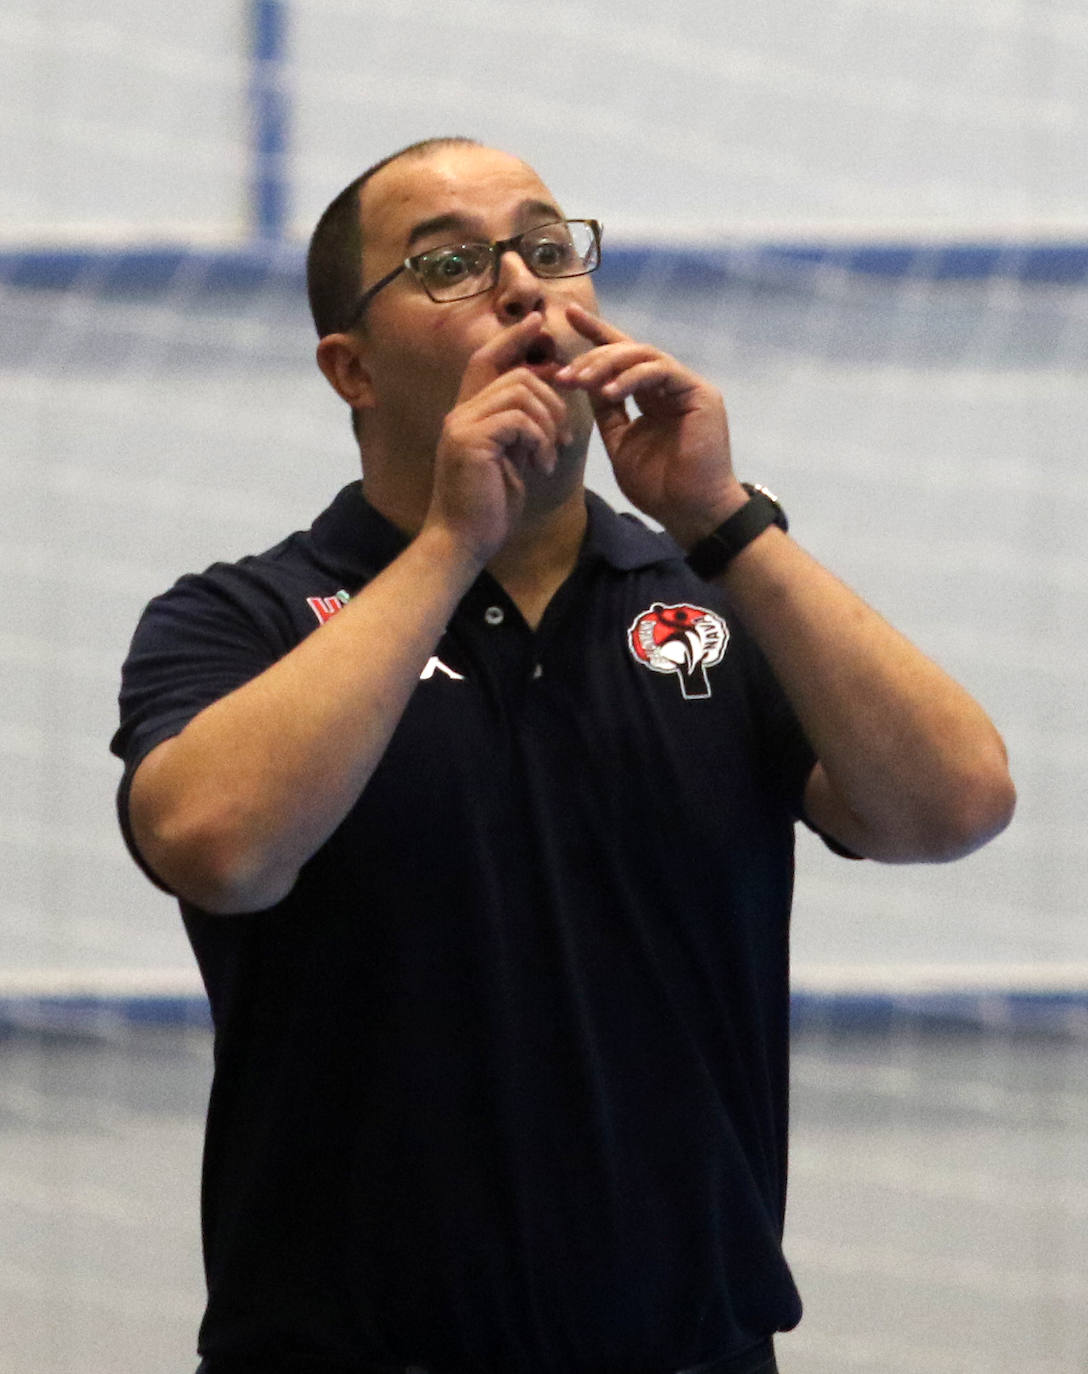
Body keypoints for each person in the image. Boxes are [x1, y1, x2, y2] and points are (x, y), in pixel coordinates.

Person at [111, 137, 1016, 1374]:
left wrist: (718, 518)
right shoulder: (242, 619)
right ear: (351, 368)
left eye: (546, 250)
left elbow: (952, 805)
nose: (525, 288)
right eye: (450, 263)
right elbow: (218, 850)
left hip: (692, 1350)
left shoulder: (712, 590)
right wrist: (448, 542)